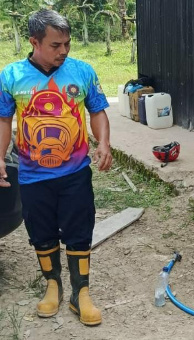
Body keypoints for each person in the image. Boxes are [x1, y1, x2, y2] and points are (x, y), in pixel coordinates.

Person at [0, 9, 112, 326]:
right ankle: (53, 285)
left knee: (79, 229)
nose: (63, 51)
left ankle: (81, 292)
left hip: (75, 173)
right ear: (35, 42)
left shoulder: (83, 71)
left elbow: (99, 111)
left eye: (67, 44)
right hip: (33, 175)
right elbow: (4, 120)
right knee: (41, 231)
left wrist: (103, 142)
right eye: (55, 45)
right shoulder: (11, 76)